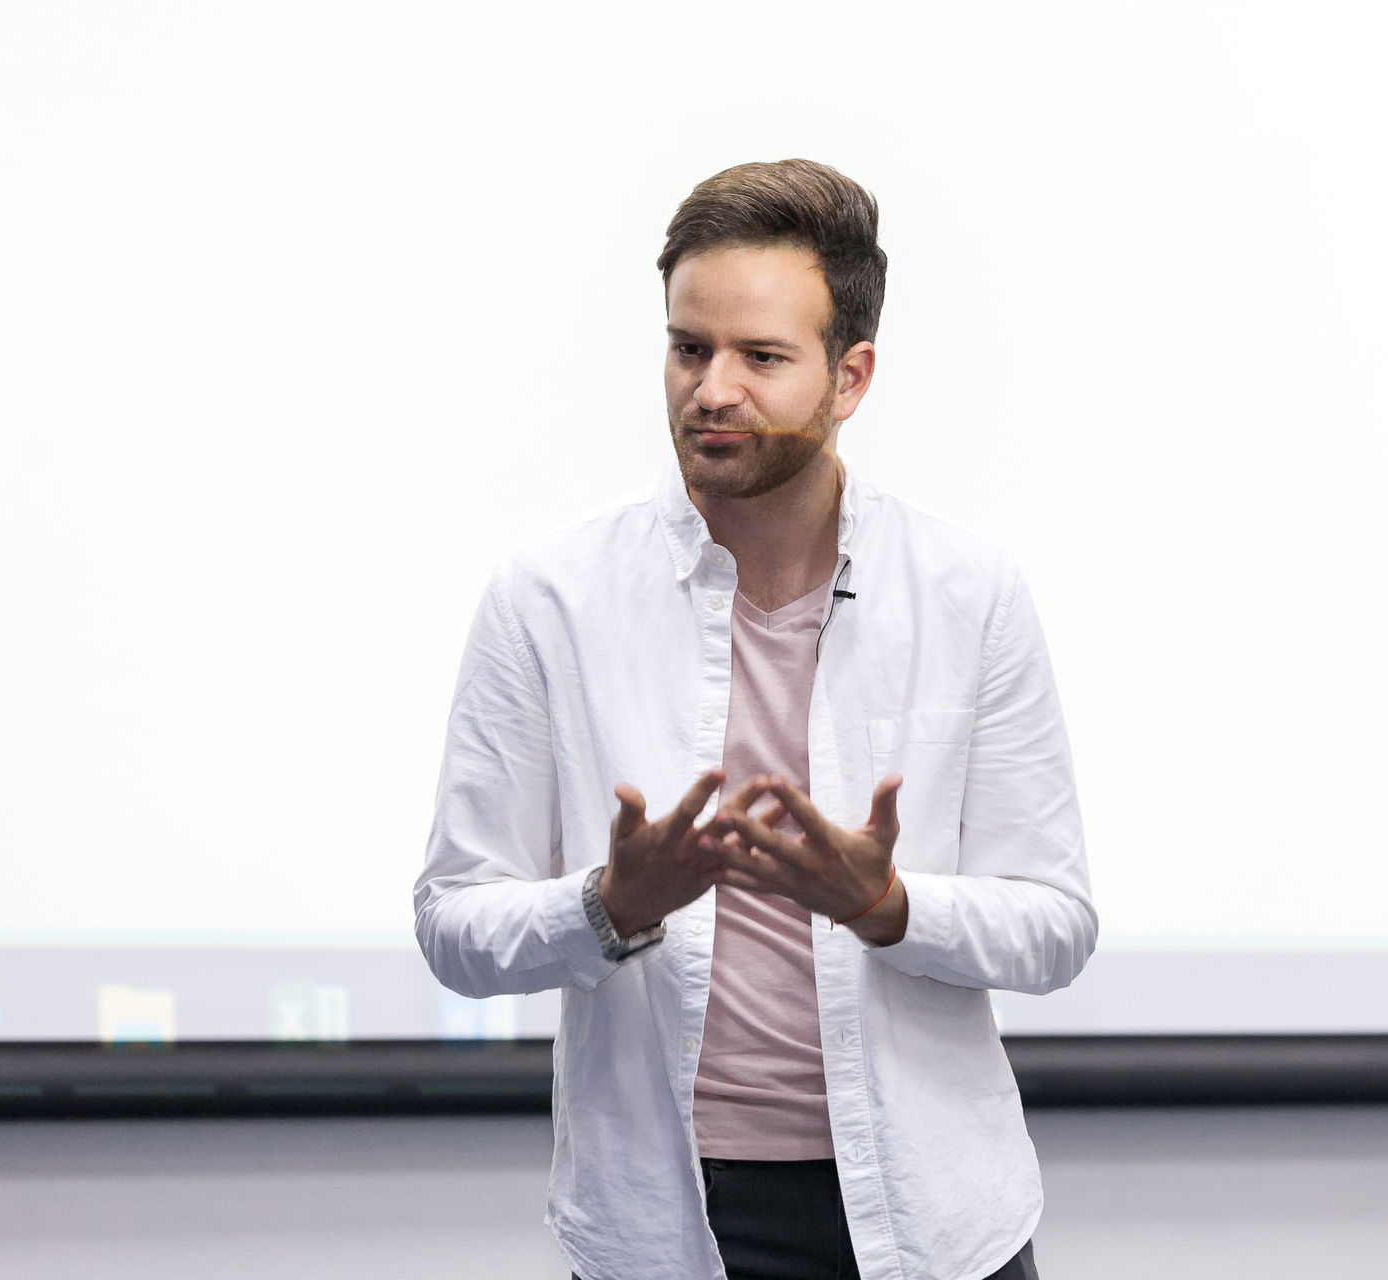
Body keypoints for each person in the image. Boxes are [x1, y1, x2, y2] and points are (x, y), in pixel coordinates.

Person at [413, 158, 1096, 1280]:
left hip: (931, 1221)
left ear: (852, 375)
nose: (711, 389)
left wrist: (886, 904)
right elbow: (453, 921)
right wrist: (609, 903)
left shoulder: (969, 592)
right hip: (664, 1223)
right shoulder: (550, 595)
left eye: (761, 357)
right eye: (689, 348)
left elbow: (1055, 922)